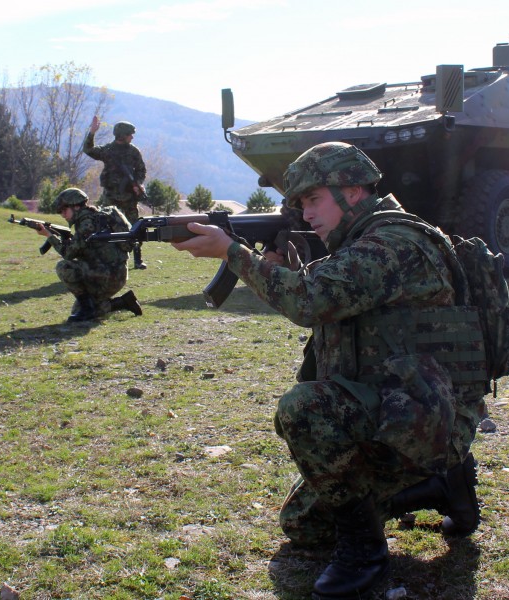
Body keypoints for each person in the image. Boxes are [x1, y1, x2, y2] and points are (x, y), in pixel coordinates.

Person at [171, 142, 484, 600]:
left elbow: (310, 300)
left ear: (353, 191)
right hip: (396, 408)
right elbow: (328, 294)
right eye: (299, 204)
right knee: (303, 526)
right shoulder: (360, 242)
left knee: (304, 409)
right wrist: (281, 269)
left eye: (313, 199)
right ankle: (439, 483)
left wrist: (233, 254)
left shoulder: (395, 243)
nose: (306, 213)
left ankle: (366, 554)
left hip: (424, 417)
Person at [35, 187, 142, 322]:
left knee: (64, 267)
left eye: (64, 210)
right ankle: (124, 302)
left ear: (76, 206)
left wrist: (49, 236)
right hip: (113, 273)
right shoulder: (95, 217)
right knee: (78, 311)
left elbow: (68, 254)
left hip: (107, 276)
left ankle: (89, 309)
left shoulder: (86, 223)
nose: (62, 214)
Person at [82, 115, 148, 269]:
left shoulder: (133, 152)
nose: (132, 137)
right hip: (111, 197)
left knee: (135, 227)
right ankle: (106, 259)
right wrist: (92, 133)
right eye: (130, 134)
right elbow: (88, 149)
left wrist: (137, 184)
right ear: (122, 135)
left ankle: (137, 259)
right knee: (105, 227)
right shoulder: (108, 150)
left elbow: (141, 170)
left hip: (129, 198)